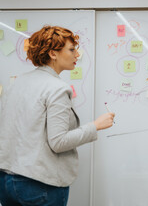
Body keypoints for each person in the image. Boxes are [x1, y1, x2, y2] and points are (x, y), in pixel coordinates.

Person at [0, 26, 115, 206]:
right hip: (39, 185)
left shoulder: (18, 82)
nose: (77, 54)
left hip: (6, 182)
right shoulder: (58, 88)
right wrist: (96, 125)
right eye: (71, 49)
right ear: (53, 54)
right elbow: (58, 142)